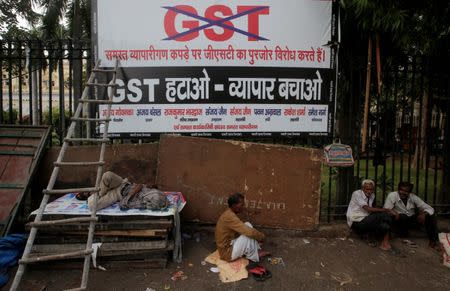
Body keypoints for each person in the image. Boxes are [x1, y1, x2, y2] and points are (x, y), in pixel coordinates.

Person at [384, 181, 440, 250]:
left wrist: (424, 214)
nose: (403, 193)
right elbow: (386, 209)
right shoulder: (392, 195)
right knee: (403, 216)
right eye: (401, 190)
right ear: (398, 189)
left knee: (430, 215)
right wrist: (394, 213)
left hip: (410, 220)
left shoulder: (413, 197)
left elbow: (430, 208)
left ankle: (433, 241)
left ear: (409, 192)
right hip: (398, 220)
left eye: (406, 191)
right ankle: (400, 234)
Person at [215, 192, 267, 262]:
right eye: (241, 205)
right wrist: (262, 237)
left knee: (247, 224)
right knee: (248, 235)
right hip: (227, 253)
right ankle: (254, 255)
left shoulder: (229, 213)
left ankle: (253, 250)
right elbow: (250, 232)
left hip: (229, 243)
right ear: (234, 205)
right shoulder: (229, 216)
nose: (243, 207)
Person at [346, 179, 396, 251]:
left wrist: (385, 211)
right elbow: (368, 209)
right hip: (357, 222)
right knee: (383, 214)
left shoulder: (372, 195)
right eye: (367, 189)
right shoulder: (356, 194)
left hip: (367, 220)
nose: (369, 191)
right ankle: (385, 241)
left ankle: (385, 242)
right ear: (362, 188)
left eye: (371, 189)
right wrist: (386, 210)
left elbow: (373, 208)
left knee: (385, 225)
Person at [80, 171, 169, 211]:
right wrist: (141, 187)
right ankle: (99, 194)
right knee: (107, 175)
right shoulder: (151, 193)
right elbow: (140, 185)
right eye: (88, 193)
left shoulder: (143, 203)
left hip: (119, 191)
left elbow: (123, 204)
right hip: (120, 187)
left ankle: (98, 194)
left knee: (92, 207)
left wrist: (133, 193)